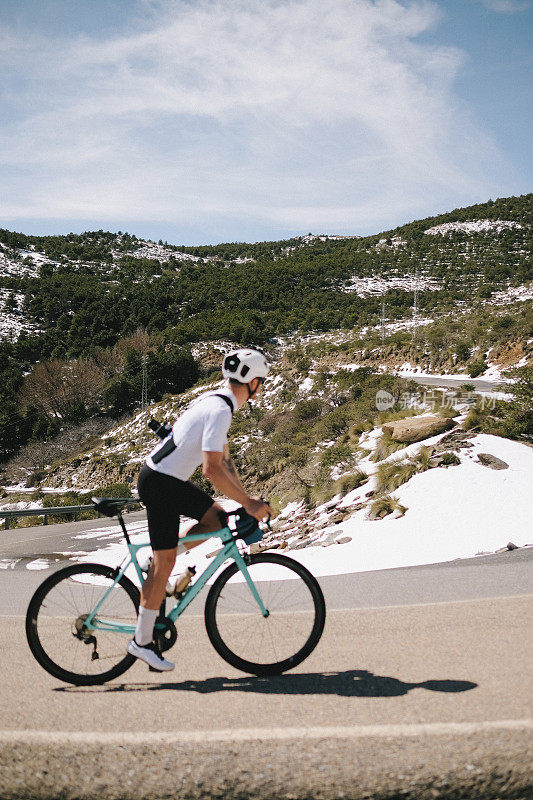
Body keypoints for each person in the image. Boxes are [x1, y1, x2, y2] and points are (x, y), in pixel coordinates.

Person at [127, 347, 273, 671]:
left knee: (216, 518)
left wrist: (247, 500)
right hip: (160, 483)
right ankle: (140, 641)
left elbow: (226, 462)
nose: (261, 386)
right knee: (164, 564)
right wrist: (248, 504)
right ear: (250, 381)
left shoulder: (218, 401)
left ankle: (159, 561)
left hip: (165, 478)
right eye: (260, 380)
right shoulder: (221, 411)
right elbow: (211, 470)